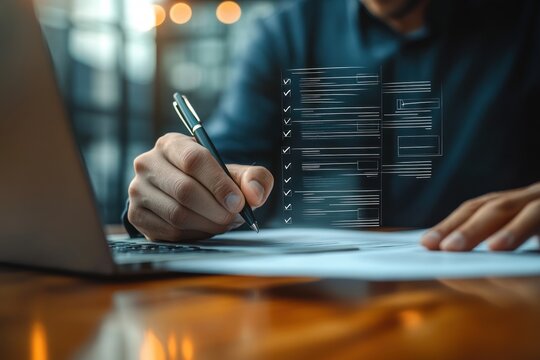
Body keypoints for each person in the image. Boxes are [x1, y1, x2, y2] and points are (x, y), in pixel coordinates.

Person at [124, 0, 540, 251]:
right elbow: (224, 163)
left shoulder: (526, 25)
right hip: (311, 309)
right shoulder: (283, 34)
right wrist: (178, 193)